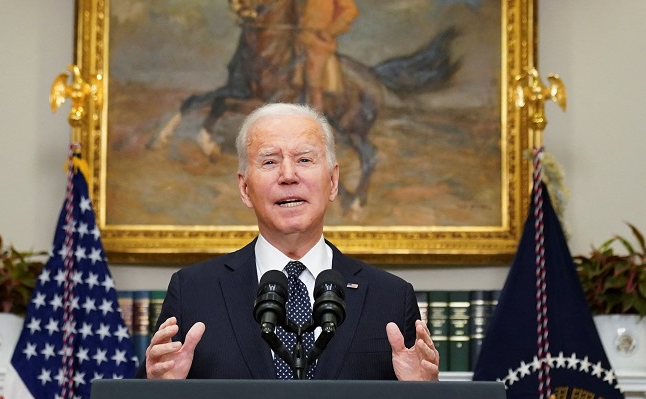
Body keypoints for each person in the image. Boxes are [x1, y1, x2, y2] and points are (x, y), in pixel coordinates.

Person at [139, 102, 439, 381]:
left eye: (304, 159)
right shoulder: (193, 291)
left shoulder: (390, 296)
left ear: (332, 182)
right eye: (269, 161)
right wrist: (157, 389)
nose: (288, 175)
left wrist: (423, 392)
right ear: (244, 188)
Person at [296, 0, 358, 113]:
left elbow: (350, 11)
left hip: (319, 42)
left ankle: (316, 114)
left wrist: (330, 31)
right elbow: (298, 13)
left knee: (313, 72)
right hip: (300, 38)